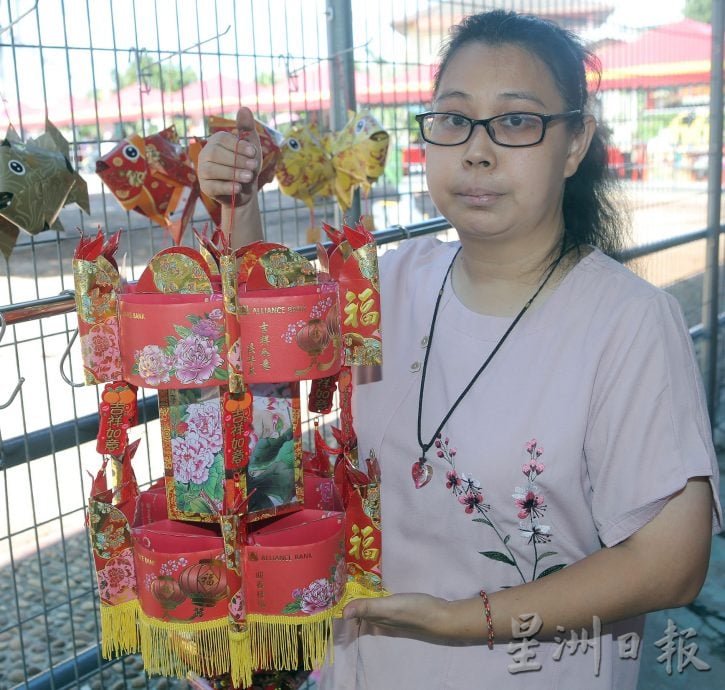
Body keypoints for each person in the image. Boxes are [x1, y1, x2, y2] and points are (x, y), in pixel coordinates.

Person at [197, 10, 722, 689]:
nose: (476, 151)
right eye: (452, 119)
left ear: (573, 142)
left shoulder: (625, 321)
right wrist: (237, 205)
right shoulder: (386, 282)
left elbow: (670, 561)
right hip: (363, 668)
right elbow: (260, 356)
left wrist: (458, 619)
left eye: (515, 122)